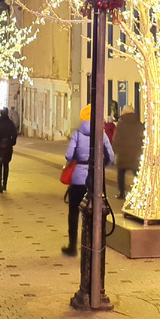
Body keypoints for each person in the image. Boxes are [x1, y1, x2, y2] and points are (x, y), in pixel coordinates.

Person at [62, 105, 114, 257]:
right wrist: (100, 166)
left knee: (74, 211)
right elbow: (110, 156)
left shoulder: (77, 134)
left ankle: (72, 245)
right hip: (95, 180)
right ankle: (92, 244)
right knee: (95, 211)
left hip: (78, 179)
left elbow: (68, 155)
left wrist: (78, 158)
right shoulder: (101, 134)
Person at [112, 105, 145, 200]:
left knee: (121, 174)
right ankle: (140, 192)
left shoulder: (121, 124)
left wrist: (115, 151)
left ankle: (121, 192)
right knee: (137, 173)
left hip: (122, 153)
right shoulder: (139, 124)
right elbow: (142, 137)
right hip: (135, 153)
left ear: (124, 112)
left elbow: (116, 139)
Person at [0, 107, 18, 193]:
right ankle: (5, 184)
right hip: (8, 146)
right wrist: (12, 142)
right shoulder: (10, 123)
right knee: (6, 165)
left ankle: (0, 185)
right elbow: (14, 134)